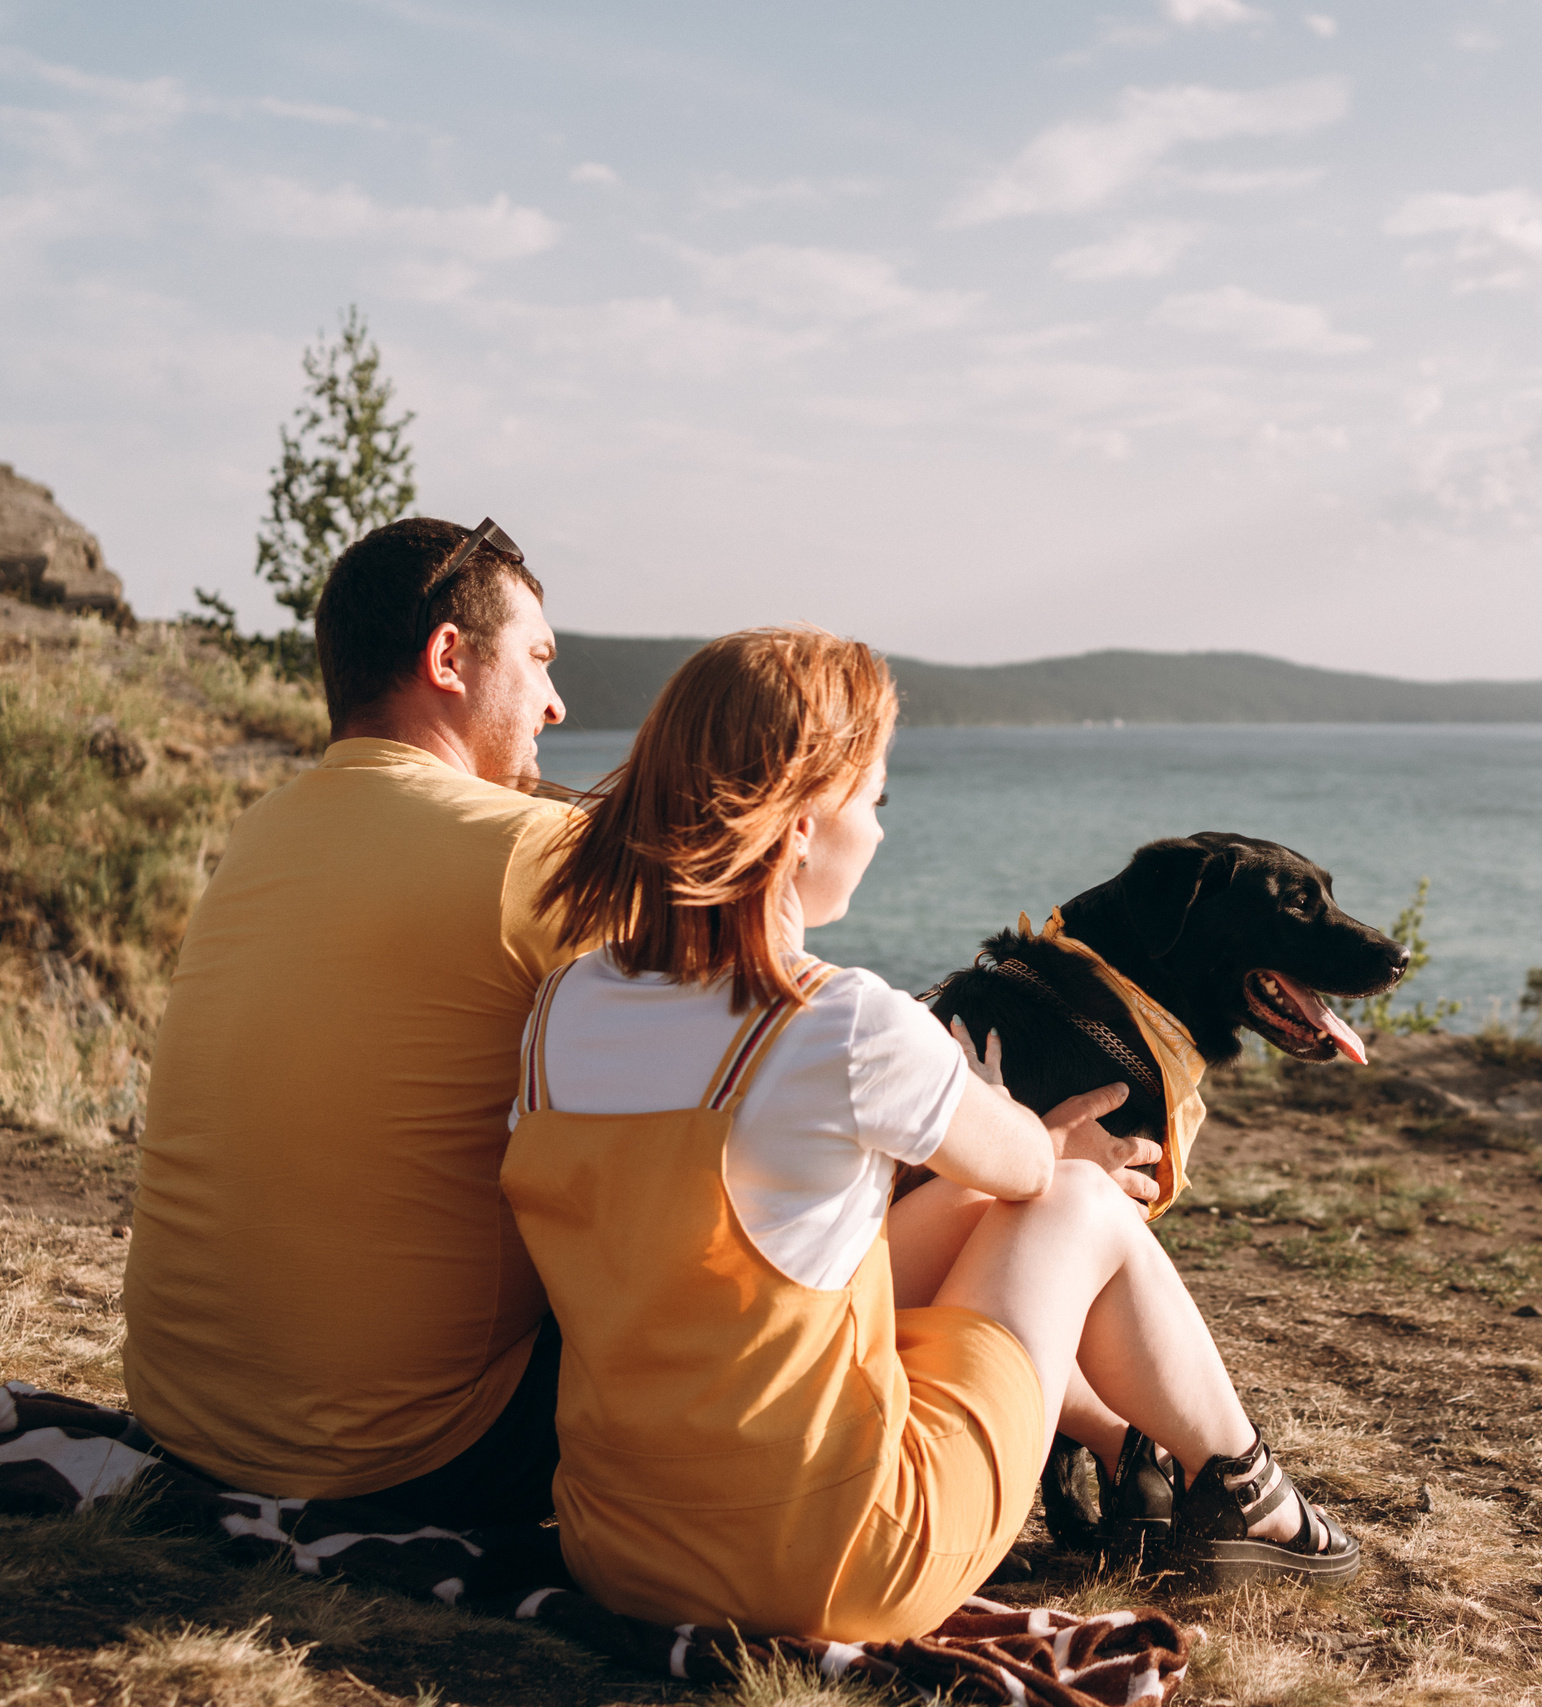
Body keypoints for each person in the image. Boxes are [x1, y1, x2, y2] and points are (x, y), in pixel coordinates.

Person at [503, 626, 1357, 1644]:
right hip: (832, 1560)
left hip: (622, 1546)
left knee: (922, 1215)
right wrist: (1040, 1147)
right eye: (875, 802)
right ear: (805, 822)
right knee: (1079, 1195)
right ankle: (1247, 1486)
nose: (880, 831)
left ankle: (1148, 1453)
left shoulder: (563, 1008)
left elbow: (725, 1260)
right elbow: (1032, 1166)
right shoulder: (841, 1020)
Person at [123, 517, 579, 1525]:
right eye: (538, 660)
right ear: (449, 658)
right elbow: (739, 1059)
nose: (555, 701)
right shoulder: (536, 845)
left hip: (186, 1421)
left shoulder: (260, 830)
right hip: (412, 1458)